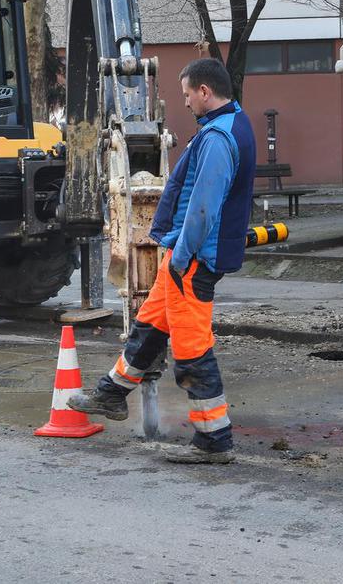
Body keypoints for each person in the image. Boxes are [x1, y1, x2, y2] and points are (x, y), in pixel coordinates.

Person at [68, 57, 256, 464]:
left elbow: (202, 209)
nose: (185, 102)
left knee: (192, 350)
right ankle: (112, 393)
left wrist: (181, 257)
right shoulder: (231, 125)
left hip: (193, 258)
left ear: (204, 91)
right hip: (186, 256)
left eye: (187, 94)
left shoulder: (218, 138)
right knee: (150, 326)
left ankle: (214, 441)